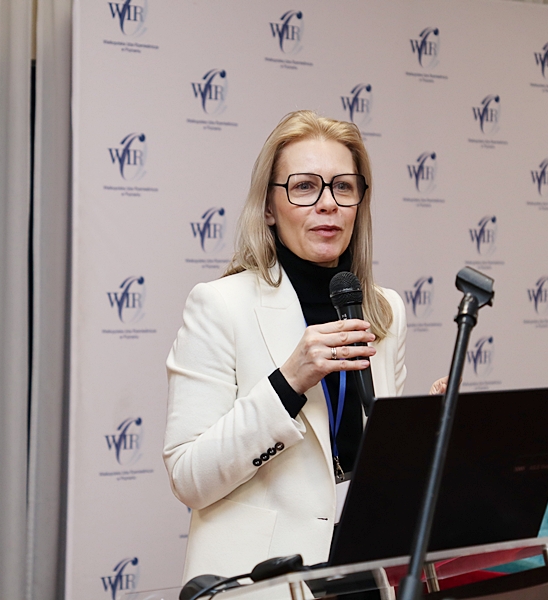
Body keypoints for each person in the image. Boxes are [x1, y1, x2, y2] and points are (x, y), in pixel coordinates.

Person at [163, 110, 445, 585]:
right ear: (269, 208)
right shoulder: (220, 305)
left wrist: (423, 434)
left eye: (343, 187)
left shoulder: (385, 311)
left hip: (366, 573)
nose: (327, 204)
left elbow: (376, 472)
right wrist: (288, 382)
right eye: (304, 187)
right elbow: (190, 479)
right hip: (265, 582)